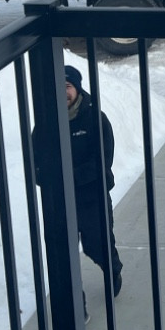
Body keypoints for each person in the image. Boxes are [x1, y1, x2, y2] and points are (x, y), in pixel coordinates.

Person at [34, 65, 123, 315]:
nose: (63, 93)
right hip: (59, 200)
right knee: (63, 253)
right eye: (58, 87)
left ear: (77, 88)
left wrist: (68, 177)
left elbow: (103, 160)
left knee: (97, 244)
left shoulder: (95, 118)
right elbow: (36, 159)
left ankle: (113, 269)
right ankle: (75, 305)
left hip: (91, 197)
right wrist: (44, 178)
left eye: (68, 87)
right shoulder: (45, 122)